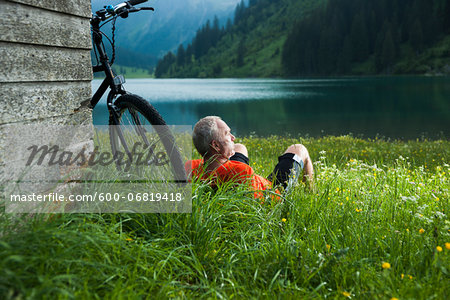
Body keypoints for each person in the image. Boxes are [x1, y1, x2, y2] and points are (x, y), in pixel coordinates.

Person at [185, 116, 314, 198]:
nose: (232, 137)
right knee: (299, 149)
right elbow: (263, 204)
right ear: (216, 146)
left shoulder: (190, 167)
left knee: (239, 147)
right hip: (273, 191)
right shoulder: (242, 171)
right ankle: (312, 194)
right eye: (227, 134)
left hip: (224, 172)